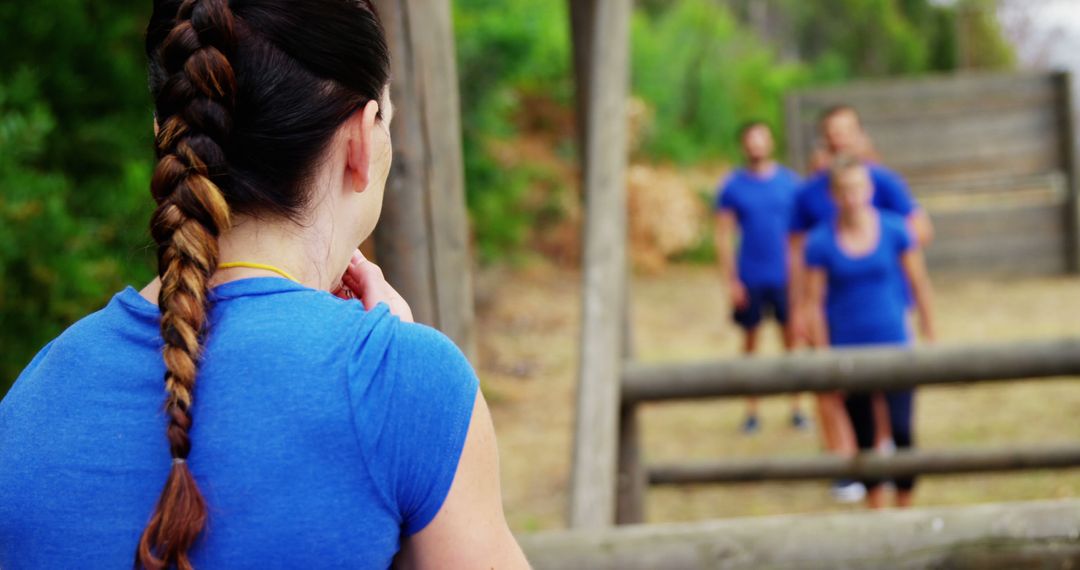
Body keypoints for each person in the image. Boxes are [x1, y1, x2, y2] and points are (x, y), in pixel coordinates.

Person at [0, 1, 529, 569]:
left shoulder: (32, 397)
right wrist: (400, 380)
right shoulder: (403, 380)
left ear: (166, 135)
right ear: (358, 142)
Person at [788, 105, 933, 501]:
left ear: (859, 134)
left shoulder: (883, 183)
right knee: (837, 397)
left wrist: (881, 244)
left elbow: (919, 230)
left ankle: (889, 468)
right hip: (838, 317)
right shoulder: (809, 193)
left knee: (893, 410)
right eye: (831, 132)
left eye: (845, 131)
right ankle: (845, 465)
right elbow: (798, 252)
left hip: (886, 310)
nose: (838, 139)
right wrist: (800, 307)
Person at [715, 121, 807, 434]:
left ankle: (797, 407)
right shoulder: (732, 186)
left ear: (771, 142)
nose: (756, 145)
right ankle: (752, 409)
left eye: (761, 139)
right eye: (750, 140)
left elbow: (801, 236)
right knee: (751, 342)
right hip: (750, 277)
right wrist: (731, 281)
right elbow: (724, 237)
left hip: (785, 277)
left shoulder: (791, 184)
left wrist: (802, 281)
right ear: (743, 145)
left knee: (791, 341)